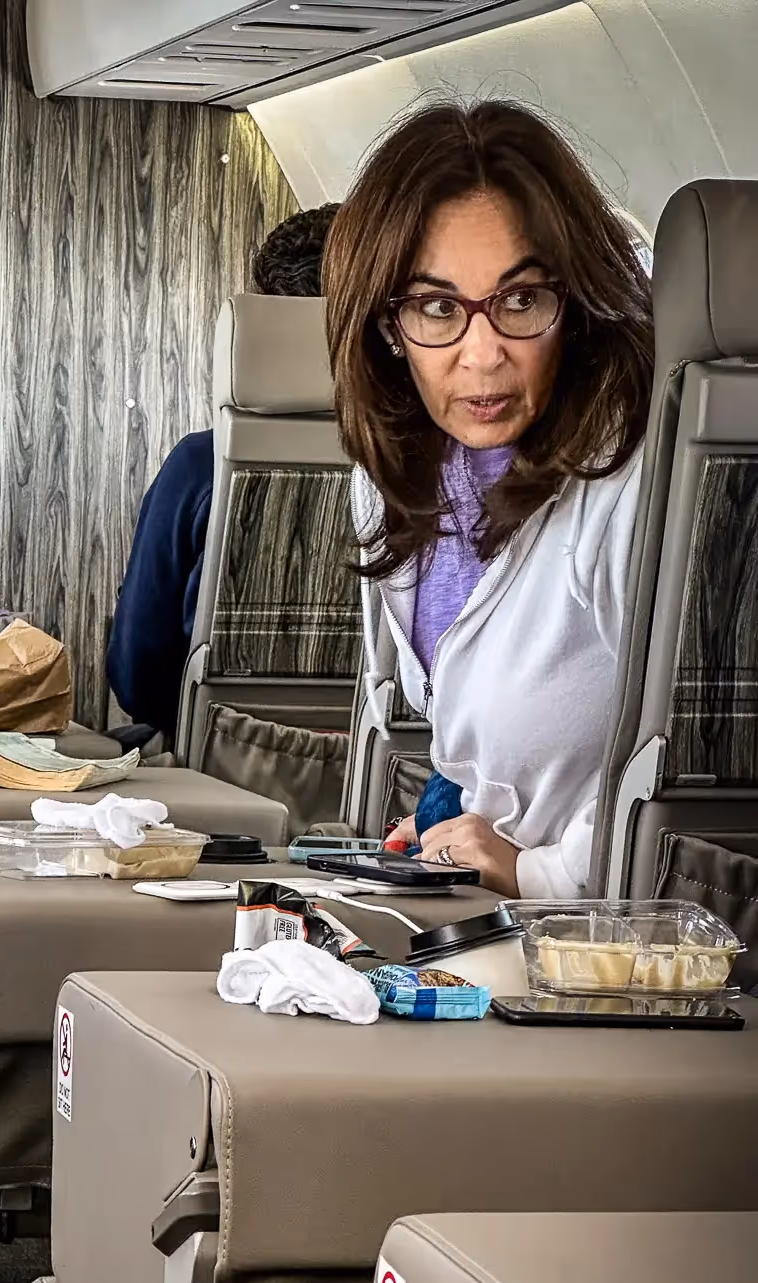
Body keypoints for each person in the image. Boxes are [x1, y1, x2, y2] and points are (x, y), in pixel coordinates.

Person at [322, 100, 654, 897]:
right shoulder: (393, 477)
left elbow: (708, 771)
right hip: (498, 926)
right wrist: (447, 822)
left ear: (575, 304)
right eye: (438, 308)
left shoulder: (634, 479)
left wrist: (535, 871)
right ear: (387, 327)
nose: (482, 355)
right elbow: (474, 742)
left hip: (618, 945)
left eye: (521, 300)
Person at [107, 204, 340, 742]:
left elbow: (138, 674)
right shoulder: (445, 470)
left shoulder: (201, 467)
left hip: (219, 759)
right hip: (401, 779)